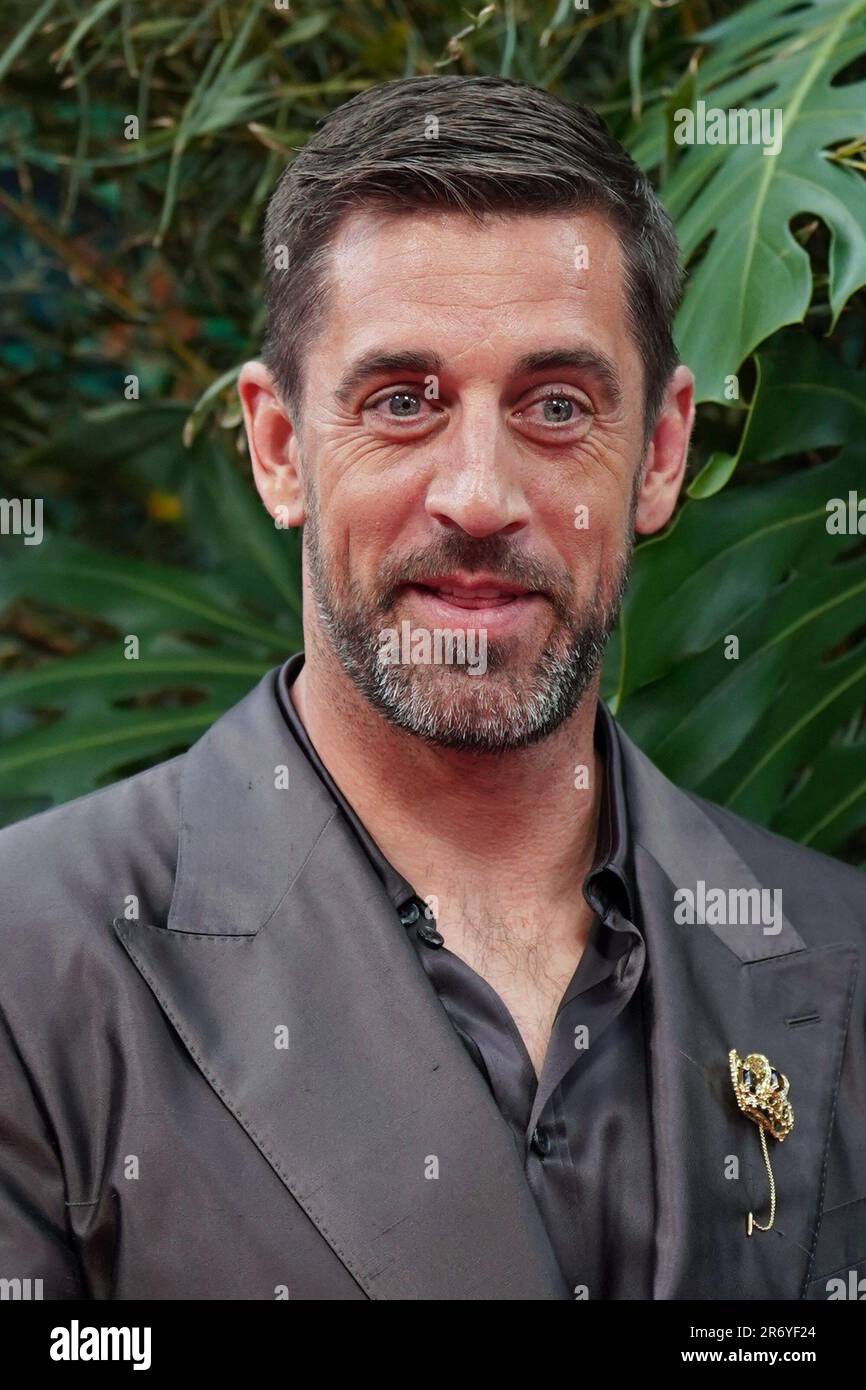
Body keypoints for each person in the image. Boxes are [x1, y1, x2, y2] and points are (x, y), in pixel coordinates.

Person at [1, 74, 864, 1302]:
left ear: (661, 455)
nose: (477, 493)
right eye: (401, 403)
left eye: (554, 406)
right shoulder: (28, 969)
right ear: (279, 445)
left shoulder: (839, 951)